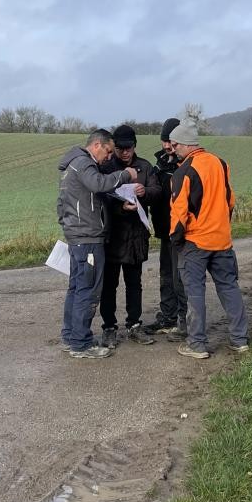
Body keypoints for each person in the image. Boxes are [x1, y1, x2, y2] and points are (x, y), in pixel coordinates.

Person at [167, 121, 250, 359]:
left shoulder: (183, 171)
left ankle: (197, 344)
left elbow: (179, 212)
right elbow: (230, 200)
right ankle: (239, 340)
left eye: (174, 145)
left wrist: (176, 240)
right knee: (229, 288)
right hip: (222, 240)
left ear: (184, 144)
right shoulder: (220, 163)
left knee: (194, 293)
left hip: (196, 242)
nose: (172, 150)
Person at [57, 128, 139, 359]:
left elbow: (61, 205)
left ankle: (71, 335)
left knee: (76, 288)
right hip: (88, 238)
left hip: (78, 236)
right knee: (88, 290)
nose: (110, 157)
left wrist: (69, 228)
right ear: (97, 145)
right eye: (109, 151)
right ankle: (81, 344)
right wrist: (126, 175)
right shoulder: (84, 164)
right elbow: (99, 184)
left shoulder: (72, 164)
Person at [99, 124, 160, 347]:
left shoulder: (145, 167)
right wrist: (120, 208)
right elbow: (101, 199)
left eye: (129, 148)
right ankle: (109, 327)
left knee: (135, 284)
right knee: (109, 285)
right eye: (121, 148)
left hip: (136, 237)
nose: (125, 152)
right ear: (114, 147)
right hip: (113, 237)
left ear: (135, 146)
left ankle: (134, 325)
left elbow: (157, 191)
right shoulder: (106, 168)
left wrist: (145, 193)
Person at [142, 118, 188, 339]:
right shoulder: (159, 164)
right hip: (164, 229)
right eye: (164, 141)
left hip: (182, 231)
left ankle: (184, 321)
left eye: (171, 141)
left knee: (182, 278)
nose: (168, 146)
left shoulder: (187, 163)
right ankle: (168, 317)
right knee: (166, 275)